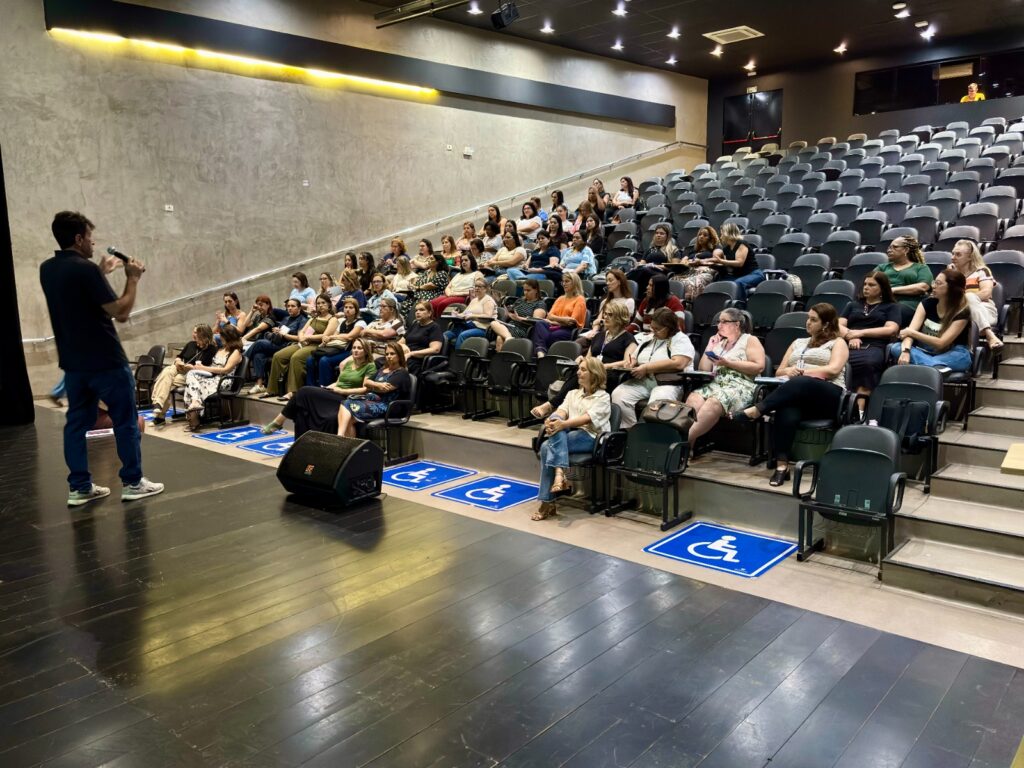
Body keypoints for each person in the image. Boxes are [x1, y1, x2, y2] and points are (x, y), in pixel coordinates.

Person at [40, 211, 164, 505]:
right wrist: (132, 279)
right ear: (79, 238)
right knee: (126, 422)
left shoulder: (48, 269)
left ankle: (80, 487)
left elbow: (78, 296)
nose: (94, 245)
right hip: (106, 360)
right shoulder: (86, 270)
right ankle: (133, 482)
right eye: (90, 239)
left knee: (75, 425)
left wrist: (100, 273)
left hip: (73, 363)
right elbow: (120, 312)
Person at [732, 304, 849, 487]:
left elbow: (834, 369)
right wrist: (791, 371)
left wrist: (804, 373)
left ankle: (757, 410)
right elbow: (780, 371)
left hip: (828, 395)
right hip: (799, 395)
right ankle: (782, 467)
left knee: (800, 382)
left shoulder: (838, 342)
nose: (808, 322)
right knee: (787, 408)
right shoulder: (798, 342)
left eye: (813, 319)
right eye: (808, 318)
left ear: (826, 324)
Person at [534, 357, 612, 521]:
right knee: (546, 446)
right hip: (569, 434)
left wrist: (562, 424)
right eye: (579, 369)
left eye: (583, 370)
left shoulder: (603, 397)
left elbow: (587, 419)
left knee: (548, 445)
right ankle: (558, 478)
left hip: (592, 437)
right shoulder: (572, 393)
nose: (578, 372)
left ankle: (548, 500)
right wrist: (554, 419)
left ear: (595, 374)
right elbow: (561, 411)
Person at [530, 301, 636, 420]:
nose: (605, 317)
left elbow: (627, 362)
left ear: (620, 317)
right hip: (592, 369)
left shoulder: (628, 338)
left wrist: (605, 366)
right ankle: (562, 412)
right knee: (579, 370)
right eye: (605, 313)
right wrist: (582, 358)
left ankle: (552, 406)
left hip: (610, 373)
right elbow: (589, 356)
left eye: (610, 314)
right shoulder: (599, 335)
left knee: (582, 374)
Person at [261, 337, 378, 437]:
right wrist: (326, 388)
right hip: (335, 392)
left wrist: (341, 390)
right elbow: (338, 382)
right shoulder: (348, 363)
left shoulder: (370, 366)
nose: (356, 351)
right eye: (354, 348)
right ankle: (300, 438)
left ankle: (278, 422)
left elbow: (365, 389)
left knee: (303, 391)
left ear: (366, 351)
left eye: (359, 348)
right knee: (303, 404)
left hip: (347, 398)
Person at [684, 309, 766, 450]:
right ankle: (688, 448)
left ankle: (682, 441)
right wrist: (710, 346)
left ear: (737, 324)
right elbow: (704, 369)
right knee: (693, 398)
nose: (719, 325)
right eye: (718, 321)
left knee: (714, 402)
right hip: (716, 384)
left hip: (741, 386)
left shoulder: (749, 340)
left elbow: (758, 367)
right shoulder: (720, 343)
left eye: (724, 321)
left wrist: (728, 363)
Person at [611, 307, 695, 428]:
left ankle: (648, 436)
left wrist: (647, 368)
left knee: (656, 404)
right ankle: (630, 431)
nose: (653, 331)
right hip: (643, 381)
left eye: (657, 329)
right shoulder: (650, 338)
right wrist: (630, 363)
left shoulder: (681, 340)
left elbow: (679, 363)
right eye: (652, 327)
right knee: (619, 395)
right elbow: (634, 357)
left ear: (669, 328)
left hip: (668, 384)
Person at [889, 268, 972, 372]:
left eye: (938, 283)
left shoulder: (962, 311)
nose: (933, 286)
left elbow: (941, 343)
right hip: (924, 351)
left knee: (962, 359)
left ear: (952, 288)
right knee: (896, 347)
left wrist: (912, 332)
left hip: (952, 353)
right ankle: (937, 368)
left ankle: (926, 367)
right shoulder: (926, 304)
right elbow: (908, 336)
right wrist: (906, 350)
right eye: (934, 282)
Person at [839, 271, 901, 398]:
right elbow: (838, 325)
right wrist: (851, 336)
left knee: (868, 363)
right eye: (865, 284)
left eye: (872, 285)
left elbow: (891, 330)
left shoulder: (891, 307)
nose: (866, 287)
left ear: (882, 288)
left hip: (874, 345)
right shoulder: (852, 304)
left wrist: (860, 333)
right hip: (847, 343)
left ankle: (860, 408)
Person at [267, 293, 336, 399]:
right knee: (278, 356)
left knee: (296, 358)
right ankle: (273, 389)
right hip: (303, 343)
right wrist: (302, 337)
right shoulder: (313, 318)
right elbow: (302, 331)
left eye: (323, 303)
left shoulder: (332, 319)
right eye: (318, 303)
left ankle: (293, 392)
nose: (320, 305)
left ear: (329, 305)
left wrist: (308, 338)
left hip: (318, 346)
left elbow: (325, 335)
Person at [337, 342, 413, 438]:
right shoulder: (382, 369)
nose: (389, 356)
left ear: (399, 355)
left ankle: (340, 437)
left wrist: (372, 386)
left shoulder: (401, 373)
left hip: (388, 407)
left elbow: (384, 390)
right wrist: (377, 385)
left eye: (392, 354)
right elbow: (366, 382)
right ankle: (347, 443)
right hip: (373, 401)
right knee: (348, 413)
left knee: (346, 404)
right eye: (387, 354)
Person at [149, 324, 216, 425]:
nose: (194, 335)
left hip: (192, 375)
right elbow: (179, 356)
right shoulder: (190, 344)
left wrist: (192, 367)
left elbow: (208, 369)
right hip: (180, 368)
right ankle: (158, 408)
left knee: (166, 382)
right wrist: (178, 361)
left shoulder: (212, 350)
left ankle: (159, 412)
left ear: (203, 336)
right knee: (168, 370)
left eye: (196, 333)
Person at [182, 325, 244, 432]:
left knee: (191, 388)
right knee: (191, 375)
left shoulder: (236, 352)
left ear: (228, 337)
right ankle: (195, 403)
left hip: (224, 381)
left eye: (222, 336)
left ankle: (194, 419)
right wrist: (201, 368)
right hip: (213, 377)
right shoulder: (221, 349)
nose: (220, 338)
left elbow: (225, 370)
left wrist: (203, 368)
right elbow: (213, 366)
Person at [244, 298, 307, 395]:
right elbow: (278, 333)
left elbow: (300, 338)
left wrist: (284, 334)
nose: (289, 308)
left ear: (299, 308)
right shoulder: (286, 319)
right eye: (288, 306)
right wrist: (275, 333)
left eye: (293, 306)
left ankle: (241, 360)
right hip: (277, 343)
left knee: (259, 343)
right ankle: (259, 385)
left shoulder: (303, 320)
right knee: (259, 355)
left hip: (288, 346)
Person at [951, 238, 1003, 350]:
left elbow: (986, 293)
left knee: (969, 297)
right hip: (958, 313)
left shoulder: (982, 271)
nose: (953, 257)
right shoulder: (951, 274)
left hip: (985, 311)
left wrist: (963, 300)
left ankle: (989, 335)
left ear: (970, 257)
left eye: (958, 255)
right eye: (953, 254)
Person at [308, 297, 366, 386]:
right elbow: (334, 336)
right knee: (310, 359)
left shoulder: (360, 323)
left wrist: (332, 337)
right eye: (346, 307)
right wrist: (326, 340)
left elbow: (349, 337)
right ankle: (311, 387)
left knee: (325, 360)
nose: (348, 310)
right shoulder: (342, 322)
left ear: (356, 310)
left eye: (351, 307)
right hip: (337, 348)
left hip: (350, 351)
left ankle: (325, 387)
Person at [534, 272, 587, 356]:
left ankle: (542, 352)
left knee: (552, 335)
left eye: (567, 281)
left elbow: (572, 322)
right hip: (555, 325)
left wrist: (553, 320)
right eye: (563, 282)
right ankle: (541, 353)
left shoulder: (580, 299)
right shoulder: (560, 298)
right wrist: (563, 320)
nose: (564, 284)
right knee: (539, 323)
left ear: (574, 282)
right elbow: (549, 315)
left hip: (569, 329)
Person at [880, 235, 932, 320]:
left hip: (908, 304)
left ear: (906, 250)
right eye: (889, 247)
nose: (889, 250)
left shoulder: (920, 268)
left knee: (890, 312)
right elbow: (870, 283)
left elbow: (923, 287)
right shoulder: (882, 267)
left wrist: (892, 290)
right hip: (883, 302)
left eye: (895, 247)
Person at [490, 278, 548, 351]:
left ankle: (503, 356)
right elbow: (511, 313)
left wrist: (519, 319)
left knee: (499, 338)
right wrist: (508, 313)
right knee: (493, 323)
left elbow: (536, 321)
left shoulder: (540, 304)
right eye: (524, 290)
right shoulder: (520, 300)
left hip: (523, 329)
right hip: (511, 325)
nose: (525, 293)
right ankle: (509, 338)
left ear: (536, 290)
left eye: (528, 290)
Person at [709, 222, 763, 299]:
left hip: (753, 274)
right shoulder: (726, 249)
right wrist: (712, 264)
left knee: (739, 283)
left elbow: (739, 263)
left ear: (728, 233)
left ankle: (739, 305)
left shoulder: (741, 244)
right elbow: (729, 267)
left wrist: (721, 261)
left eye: (722, 234)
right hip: (738, 275)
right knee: (719, 282)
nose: (721, 237)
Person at [579, 268, 633, 342]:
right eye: (607, 281)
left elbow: (621, 324)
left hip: (615, 337)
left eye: (610, 280)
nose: (607, 283)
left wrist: (601, 322)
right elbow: (596, 322)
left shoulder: (629, 301)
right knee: (578, 343)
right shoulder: (605, 301)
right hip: (600, 334)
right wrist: (594, 332)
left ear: (619, 281)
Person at [442, 278, 497, 348]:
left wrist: (472, 316)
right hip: (468, 325)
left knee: (463, 335)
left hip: (482, 328)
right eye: (475, 286)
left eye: (479, 286)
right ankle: (441, 355)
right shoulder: (474, 300)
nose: (476, 288)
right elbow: (465, 313)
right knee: (446, 334)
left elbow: (488, 316)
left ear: (485, 289)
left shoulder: (488, 300)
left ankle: (457, 358)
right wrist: (456, 315)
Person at [672, 225, 720, 302]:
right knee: (673, 280)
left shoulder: (715, 248)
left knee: (689, 282)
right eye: (700, 235)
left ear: (711, 238)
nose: (701, 237)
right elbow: (684, 260)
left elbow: (717, 259)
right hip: (689, 271)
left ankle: (688, 303)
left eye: (705, 235)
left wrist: (701, 261)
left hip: (705, 271)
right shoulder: (693, 250)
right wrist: (684, 260)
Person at [627, 223, 677, 297]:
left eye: (661, 233)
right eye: (657, 233)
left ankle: (622, 282)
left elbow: (675, 266)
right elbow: (642, 264)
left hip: (662, 274)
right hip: (647, 270)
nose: (658, 235)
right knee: (640, 270)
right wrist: (641, 264)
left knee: (643, 270)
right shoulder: (649, 249)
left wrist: (655, 266)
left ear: (667, 236)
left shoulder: (673, 249)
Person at [431, 250, 481, 315]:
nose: (463, 262)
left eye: (466, 260)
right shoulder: (458, 274)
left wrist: (457, 293)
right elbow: (448, 287)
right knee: (432, 303)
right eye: (462, 261)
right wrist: (449, 294)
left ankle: (442, 324)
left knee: (443, 304)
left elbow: (477, 290)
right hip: (450, 295)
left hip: (464, 297)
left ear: (472, 261)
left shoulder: (477, 274)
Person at [400, 301, 444, 374]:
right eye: (416, 310)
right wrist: (403, 345)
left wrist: (412, 353)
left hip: (417, 360)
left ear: (429, 313)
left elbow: (435, 349)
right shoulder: (415, 324)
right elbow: (400, 342)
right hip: (405, 356)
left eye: (421, 310)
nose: (417, 312)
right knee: (379, 362)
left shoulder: (434, 327)